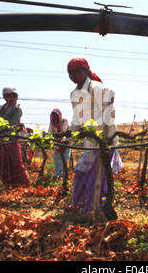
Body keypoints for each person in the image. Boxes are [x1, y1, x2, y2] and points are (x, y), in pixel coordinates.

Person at [67, 57, 123, 217]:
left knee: (96, 178)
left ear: (86, 71)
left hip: (104, 141)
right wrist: (71, 135)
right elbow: (76, 118)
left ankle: (95, 210)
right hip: (90, 142)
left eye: (76, 72)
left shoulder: (98, 88)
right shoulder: (74, 94)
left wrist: (99, 128)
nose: (73, 76)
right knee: (80, 173)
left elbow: (109, 108)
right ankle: (81, 207)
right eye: (70, 73)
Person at [0, 86, 30, 188]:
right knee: (2, 161)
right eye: (9, 95)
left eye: (14, 96)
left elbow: (13, 123)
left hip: (12, 138)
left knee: (15, 161)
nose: (12, 98)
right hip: (1, 139)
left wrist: (2, 127)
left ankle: (22, 183)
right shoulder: (0, 109)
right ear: (5, 97)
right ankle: (7, 183)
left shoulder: (17, 109)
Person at [48, 108, 71, 178]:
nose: (55, 117)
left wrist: (57, 135)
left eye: (56, 115)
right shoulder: (52, 124)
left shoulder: (64, 122)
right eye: (53, 116)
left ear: (59, 116)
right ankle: (57, 175)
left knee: (64, 159)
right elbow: (49, 132)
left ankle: (61, 175)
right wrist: (49, 138)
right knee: (56, 159)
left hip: (65, 143)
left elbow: (63, 132)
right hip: (57, 144)